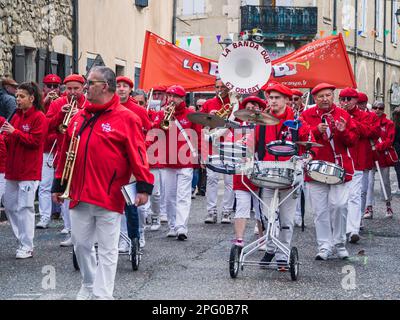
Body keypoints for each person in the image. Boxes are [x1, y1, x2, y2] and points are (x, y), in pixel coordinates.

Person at [52, 66, 154, 300]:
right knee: (81, 245)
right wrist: (59, 184)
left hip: (109, 193)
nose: (85, 87)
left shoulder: (127, 117)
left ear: (104, 86)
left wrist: (143, 186)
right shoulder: (78, 117)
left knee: (108, 248)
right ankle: (89, 284)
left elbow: (137, 153)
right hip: (77, 192)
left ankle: (102, 294)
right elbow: (67, 152)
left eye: (90, 83)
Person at [257, 84, 313, 268]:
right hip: (267, 173)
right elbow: (254, 145)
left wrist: (305, 157)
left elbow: (308, 144)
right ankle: (270, 248)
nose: (272, 101)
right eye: (271, 97)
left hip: (289, 175)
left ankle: (283, 253)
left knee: (287, 219)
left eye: (277, 98)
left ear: (287, 100)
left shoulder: (298, 121)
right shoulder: (262, 120)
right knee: (267, 216)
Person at [301, 83, 358, 260]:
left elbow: (352, 141)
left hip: (339, 168)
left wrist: (343, 131)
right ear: (314, 99)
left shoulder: (343, 115)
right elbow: (302, 138)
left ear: (333, 96)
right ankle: (324, 245)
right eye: (320, 96)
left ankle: (339, 243)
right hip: (316, 168)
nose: (325, 99)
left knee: (339, 205)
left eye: (328, 95)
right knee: (320, 211)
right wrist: (315, 131)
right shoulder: (306, 115)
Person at [1, 82, 47, 259]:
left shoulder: (39, 117)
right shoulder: (15, 116)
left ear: (32, 98)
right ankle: (22, 239)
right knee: (10, 206)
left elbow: (35, 142)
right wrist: (5, 137)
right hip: (12, 169)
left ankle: (27, 245)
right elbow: (11, 139)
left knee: (26, 207)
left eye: (21, 96)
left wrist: (14, 133)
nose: (17, 100)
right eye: (17, 96)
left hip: (29, 170)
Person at [153, 85, 200, 240]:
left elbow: (198, 135)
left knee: (183, 196)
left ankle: (181, 227)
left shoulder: (191, 114)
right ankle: (173, 226)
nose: (171, 100)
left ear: (182, 99)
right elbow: (155, 133)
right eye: (169, 96)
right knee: (169, 196)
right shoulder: (162, 113)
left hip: (185, 160)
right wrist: (164, 119)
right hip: (168, 160)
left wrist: (200, 154)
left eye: (174, 97)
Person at [46, 74, 88, 245]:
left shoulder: (88, 103)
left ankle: (85, 233)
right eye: (69, 89)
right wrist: (58, 116)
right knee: (65, 191)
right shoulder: (58, 103)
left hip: (83, 153)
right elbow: (47, 125)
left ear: (83, 88)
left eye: (76, 89)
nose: (72, 93)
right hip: (64, 151)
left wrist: (81, 114)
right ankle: (71, 231)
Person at [339, 88, 379, 244]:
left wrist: (349, 121)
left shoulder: (365, 116)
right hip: (339, 161)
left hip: (357, 161)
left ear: (355, 100)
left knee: (355, 196)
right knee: (340, 199)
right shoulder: (336, 114)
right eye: (343, 99)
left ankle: (353, 229)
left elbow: (370, 132)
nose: (345, 102)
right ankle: (341, 228)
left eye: (349, 99)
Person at [116, 76, 153, 248]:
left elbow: (151, 133)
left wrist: (140, 148)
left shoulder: (138, 110)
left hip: (134, 161)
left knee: (133, 202)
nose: (121, 89)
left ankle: (138, 234)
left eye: (125, 86)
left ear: (130, 90)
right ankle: (122, 237)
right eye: (118, 86)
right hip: (115, 161)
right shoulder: (110, 107)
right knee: (117, 202)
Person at [232, 96, 266, 250]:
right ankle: (239, 240)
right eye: (249, 107)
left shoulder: (265, 125)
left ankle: (262, 239)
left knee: (261, 208)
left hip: (260, 169)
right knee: (242, 205)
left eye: (255, 107)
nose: (252, 110)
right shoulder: (237, 125)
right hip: (242, 170)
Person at [201, 79, 236, 224]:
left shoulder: (235, 103)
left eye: (223, 87)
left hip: (230, 146)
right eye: (217, 87)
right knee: (212, 179)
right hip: (212, 146)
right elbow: (201, 129)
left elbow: (239, 124)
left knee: (229, 180)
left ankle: (227, 211)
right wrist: (210, 117)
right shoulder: (208, 104)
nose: (219, 89)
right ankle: (212, 211)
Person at [36, 74, 62, 229]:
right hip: (46, 148)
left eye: (56, 87)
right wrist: (44, 103)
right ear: (44, 87)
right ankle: (44, 217)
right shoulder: (38, 103)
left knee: (63, 185)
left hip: (61, 148)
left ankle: (67, 223)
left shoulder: (65, 101)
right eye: (49, 86)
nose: (52, 90)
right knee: (45, 185)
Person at [363, 101, 396, 219]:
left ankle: (388, 205)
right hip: (370, 156)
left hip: (382, 156)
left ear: (383, 109)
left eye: (380, 108)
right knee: (369, 182)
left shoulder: (389, 123)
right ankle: (369, 207)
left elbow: (389, 140)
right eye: (375, 108)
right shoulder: (368, 120)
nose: (377, 110)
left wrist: (378, 147)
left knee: (385, 182)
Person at [392, 107, 400, 195]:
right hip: (397, 151)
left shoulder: (395, 126)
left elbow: (395, 141)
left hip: (398, 152)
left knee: (398, 171)